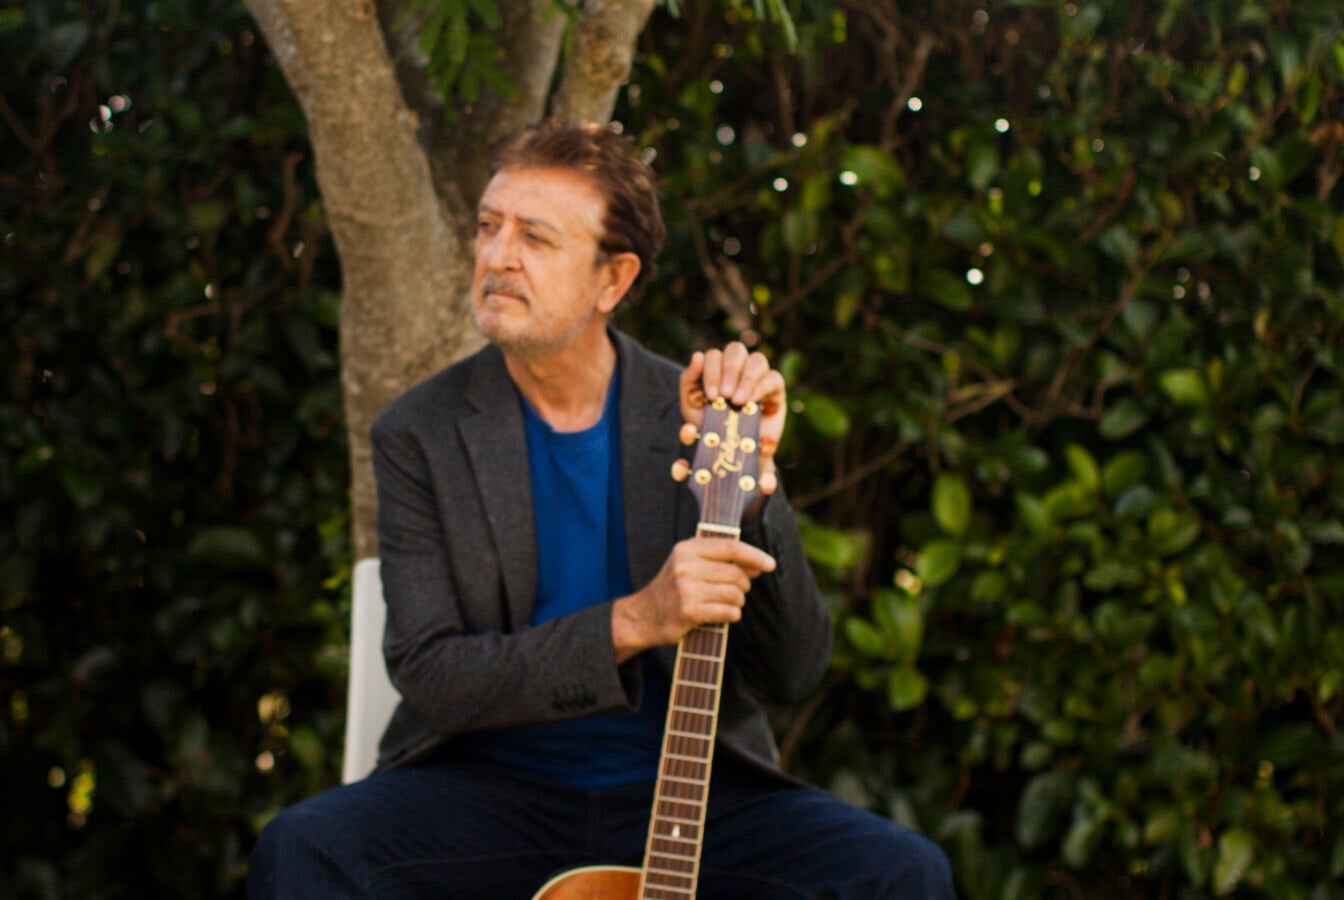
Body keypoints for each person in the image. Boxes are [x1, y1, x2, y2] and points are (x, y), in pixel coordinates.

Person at [248, 119, 954, 899]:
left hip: (688, 794)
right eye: (488, 227)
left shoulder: (695, 415)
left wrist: (756, 494)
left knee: (904, 872)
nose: (497, 256)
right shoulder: (420, 433)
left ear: (612, 281)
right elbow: (432, 672)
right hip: (488, 792)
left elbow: (793, 673)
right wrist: (634, 621)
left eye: (535, 237)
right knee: (299, 851)